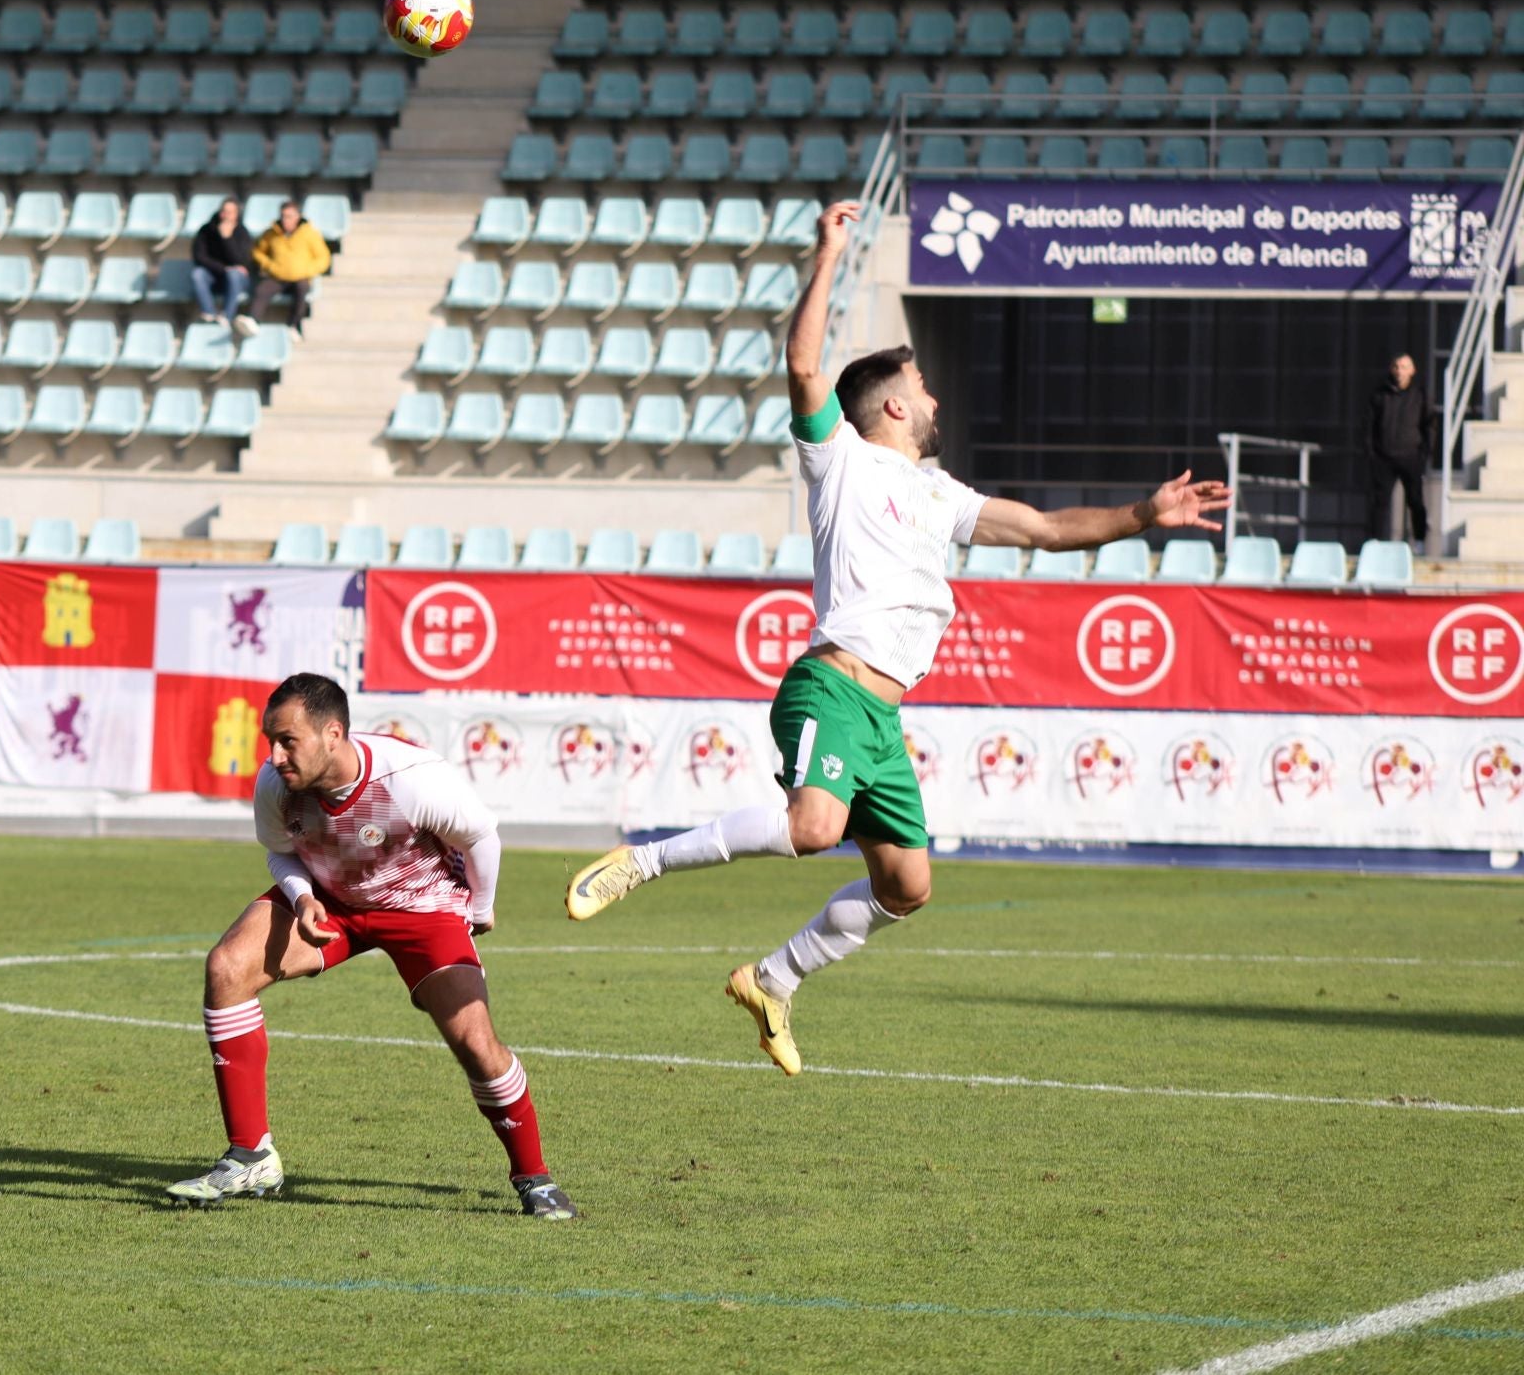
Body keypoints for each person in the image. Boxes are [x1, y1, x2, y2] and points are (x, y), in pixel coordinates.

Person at [564, 201, 1231, 1077]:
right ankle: (642, 863)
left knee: (906, 888)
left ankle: (774, 977)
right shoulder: (838, 458)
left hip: (882, 719)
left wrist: (1142, 515)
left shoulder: (940, 492)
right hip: (832, 686)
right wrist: (829, 255)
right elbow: (804, 361)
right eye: (923, 388)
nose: (936, 399)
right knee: (812, 828)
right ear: (889, 404)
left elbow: (1041, 530)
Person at [166, 673, 578, 1219]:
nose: (275, 755)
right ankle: (250, 1156)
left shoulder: (411, 779)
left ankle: (534, 1177)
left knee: (476, 1042)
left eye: (288, 740)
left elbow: (481, 835)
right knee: (228, 968)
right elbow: (281, 852)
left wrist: (478, 911)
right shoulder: (275, 783)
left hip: (421, 907)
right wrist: (303, 896)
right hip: (332, 902)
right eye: (271, 740)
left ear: (332, 734)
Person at [1367, 351, 1438, 548]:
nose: (1400, 371)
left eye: (1404, 367)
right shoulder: (1380, 395)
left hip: (1411, 457)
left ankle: (1420, 542)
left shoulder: (1420, 395)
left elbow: (1429, 425)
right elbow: (1369, 425)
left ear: (1412, 370)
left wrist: (1425, 453)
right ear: (1391, 369)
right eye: (1396, 367)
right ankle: (1375, 543)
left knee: (1415, 500)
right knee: (1379, 502)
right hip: (1384, 457)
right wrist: (1372, 453)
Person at [239, 199, 330, 337]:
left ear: (297, 216)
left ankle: (293, 325)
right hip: (278, 276)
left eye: (289, 216)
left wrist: (306, 270)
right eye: (283, 216)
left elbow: (323, 258)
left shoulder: (310, 234)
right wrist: (269, 265)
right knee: (262, 289)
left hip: (300, 277)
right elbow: (258, 252)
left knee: (302, 289)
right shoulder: (271, 234)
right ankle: (253, 321)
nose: (285, 219)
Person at [189, 198, 252, 328]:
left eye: (230, 212)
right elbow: (199, 257)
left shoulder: (242, 232)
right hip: (213, 276)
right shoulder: (206, 230)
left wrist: (227, 239)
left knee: (234, 274)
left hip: (235, 280)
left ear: (236, 214)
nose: (226, 215)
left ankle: (226, 316)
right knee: (197, 274)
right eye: (224, 211)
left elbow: (242, 262)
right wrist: (224, 268)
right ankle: (209, 313)